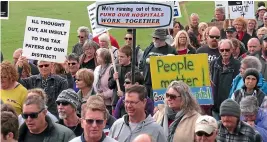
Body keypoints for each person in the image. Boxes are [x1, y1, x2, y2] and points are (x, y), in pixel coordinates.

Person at [139, 29, 177, 98]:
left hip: (162, 84)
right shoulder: (149, 48)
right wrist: (142, 72)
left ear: (162, 39)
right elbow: (142, 62)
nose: (154, 40)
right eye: (153, 38)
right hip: (148, 82)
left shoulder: (171, 50)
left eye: (157, 38)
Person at [210, 39, 241, 120]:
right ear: (219, 51)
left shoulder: (238, 65)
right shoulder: (213, 63)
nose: (224, 52)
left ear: (231, 50)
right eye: (222, 50)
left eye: (227, 50)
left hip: (229, 106)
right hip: (215, 105)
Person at [108, 45, 134, 110]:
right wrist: (114, 79)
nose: (119, 58)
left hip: (129, 103)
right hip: (116, 103)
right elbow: (110, 86)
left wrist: (124, 94)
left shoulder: (134, 70)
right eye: (119, 56)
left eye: (122, 57)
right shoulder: (114, 68)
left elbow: (136, 88)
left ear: (129, 57)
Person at [93, 48, 113, 114]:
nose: (96, 57)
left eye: (98, 55)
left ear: (104, 58)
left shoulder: (112, 69)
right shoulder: (97, 68)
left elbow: (113, 88)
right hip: (98, 101)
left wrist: (104, 95)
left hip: (109, 103)